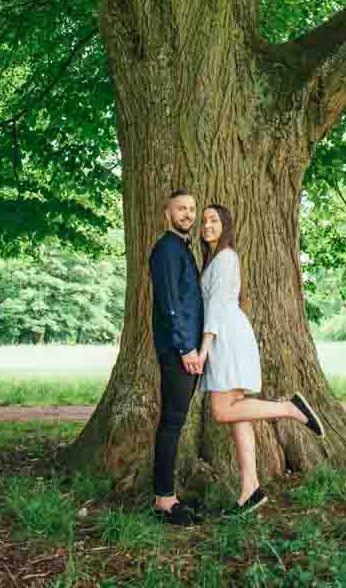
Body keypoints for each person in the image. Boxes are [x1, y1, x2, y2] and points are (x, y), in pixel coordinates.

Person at [198, 204, 325, 516]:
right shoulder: (216, 259)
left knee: (221, 410)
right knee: (237, 413)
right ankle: (250, 489)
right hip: (227, 334)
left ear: (225, 225)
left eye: (213, 220)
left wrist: (203, 348)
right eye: (204, 221)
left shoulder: (225, 258)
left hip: (225, 337)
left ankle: (289, 408)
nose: (207, 225)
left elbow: (214, 306)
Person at [149, 189, 205, 526]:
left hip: (187, 348)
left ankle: (168, 495)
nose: (187, 214)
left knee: (175, 420)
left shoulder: (183, 248)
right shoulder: (167, 249)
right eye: (180, 208)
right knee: (171, 423)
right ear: (167, 213)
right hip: (177, 351)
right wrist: (186, 348)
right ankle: (164, 501)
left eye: (191, 209)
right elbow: (170, 303)